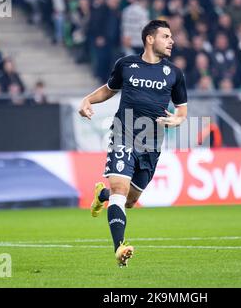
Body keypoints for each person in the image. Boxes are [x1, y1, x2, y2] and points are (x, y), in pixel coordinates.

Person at [78, 20, 187, 266]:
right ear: (150, 39)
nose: (172, 41)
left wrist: (178, 121)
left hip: (152, 144)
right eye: (166, 36)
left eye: (171, 37)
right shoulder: (126, 65)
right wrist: (88, 100)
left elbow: (182, 110)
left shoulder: (174, 73)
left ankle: (101, 194)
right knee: (120, 191)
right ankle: (120, 248)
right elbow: (109, 89)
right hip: (124, 134)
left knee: (129, 200)